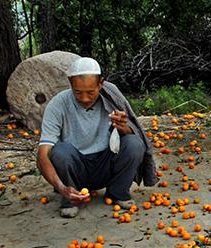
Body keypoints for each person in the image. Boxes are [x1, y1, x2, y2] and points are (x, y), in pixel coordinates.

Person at [36, 57, 156, 218]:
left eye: (90, 92)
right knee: (59, 151)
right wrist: (60, 187)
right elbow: (42, 154)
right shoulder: (58, 105)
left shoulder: (112, 98)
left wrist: (124, 128)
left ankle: (117, 193)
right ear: (70, 84)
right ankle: (70, 198)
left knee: (134, 143)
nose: (84, 98)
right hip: (76, 167)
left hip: (105, 164)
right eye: (78, 92)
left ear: (101, 84)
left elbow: (130, 138)